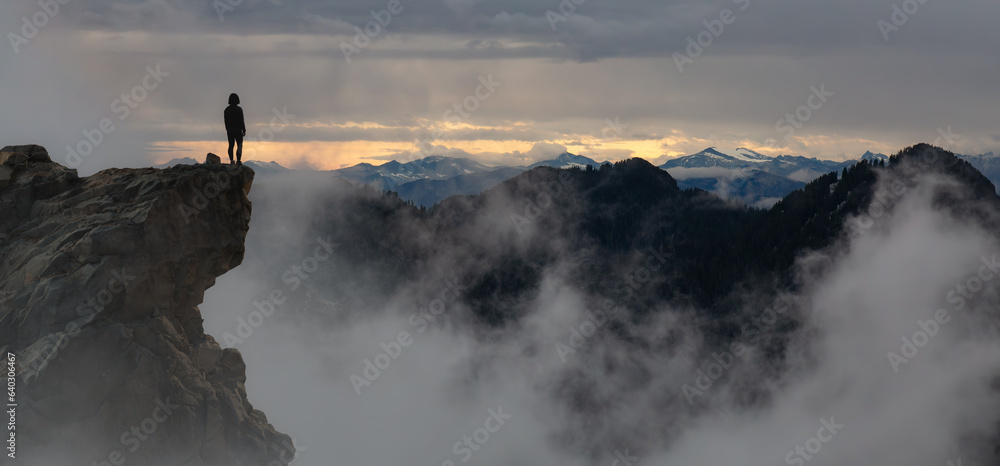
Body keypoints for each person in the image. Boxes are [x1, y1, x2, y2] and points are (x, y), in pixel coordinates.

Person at [224, 93, 246, 165]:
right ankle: (238, 160)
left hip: (230, 131)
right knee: (239, 145)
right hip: (238, 130)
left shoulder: (226, 110)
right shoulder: (239, 109)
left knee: (231, 145)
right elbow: (241, 120)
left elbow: (226, 122)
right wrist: (244, 129)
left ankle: (231, 160)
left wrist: (228, 129)